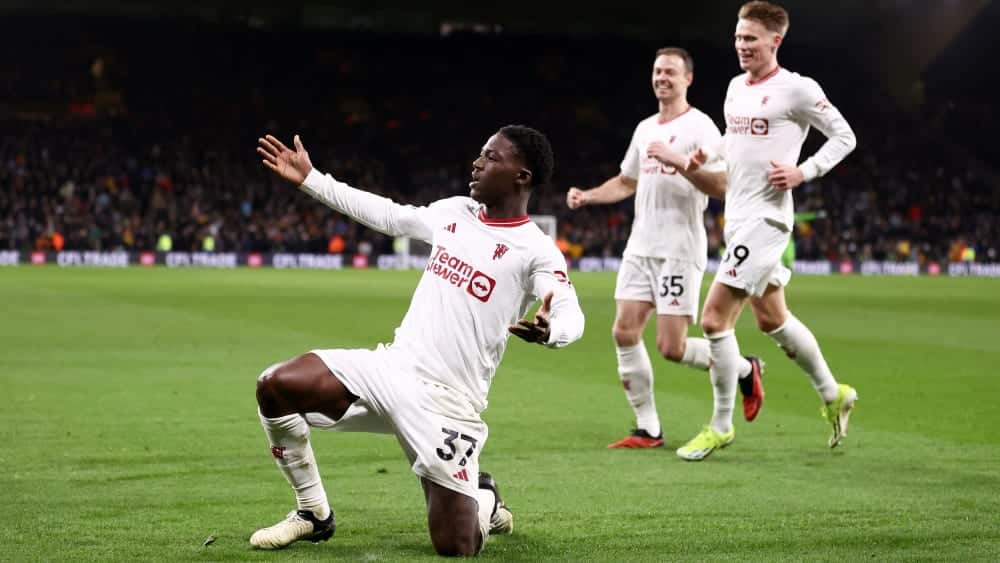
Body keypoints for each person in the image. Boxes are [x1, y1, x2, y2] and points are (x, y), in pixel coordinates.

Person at [251, 126, 585, 555]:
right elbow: (391, 216)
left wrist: (553, 331)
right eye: (481, 153)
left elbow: (569, 311)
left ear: (522, 176)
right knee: (275, 386)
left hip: (448, 402)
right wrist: (312, 180)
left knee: (456, 545)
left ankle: (485, 497)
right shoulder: (456, 211)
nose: (477, 163)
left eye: (491, 157)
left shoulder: (535, 250)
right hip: (391, 368)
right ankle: (313, 512)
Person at [664, 1, 859, 460]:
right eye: (737, 37)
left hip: (767, 220)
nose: (741, 45)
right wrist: (706, 156)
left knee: (714, 319)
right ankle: (833, 393)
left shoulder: (797, 89)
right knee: (772, 318)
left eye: (750, 38)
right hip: (738, 217)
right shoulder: (736, 88)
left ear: (776, 40)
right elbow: (736, 141)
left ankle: (720, 425)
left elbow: (844, 136)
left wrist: (804, 171)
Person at [566, 47, 764, 449]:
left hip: (679, 248)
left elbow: (723, 185)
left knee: (671, 347)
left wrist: (678, 162)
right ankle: (648, 428)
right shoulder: (644, 129)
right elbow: (627, 181)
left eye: (670, 72)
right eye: (658, 71)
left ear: (688, 78)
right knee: (624, 331)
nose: (662, 78)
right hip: (640, 246)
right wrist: (589, 196)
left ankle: (744, 368)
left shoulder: (701, 126)